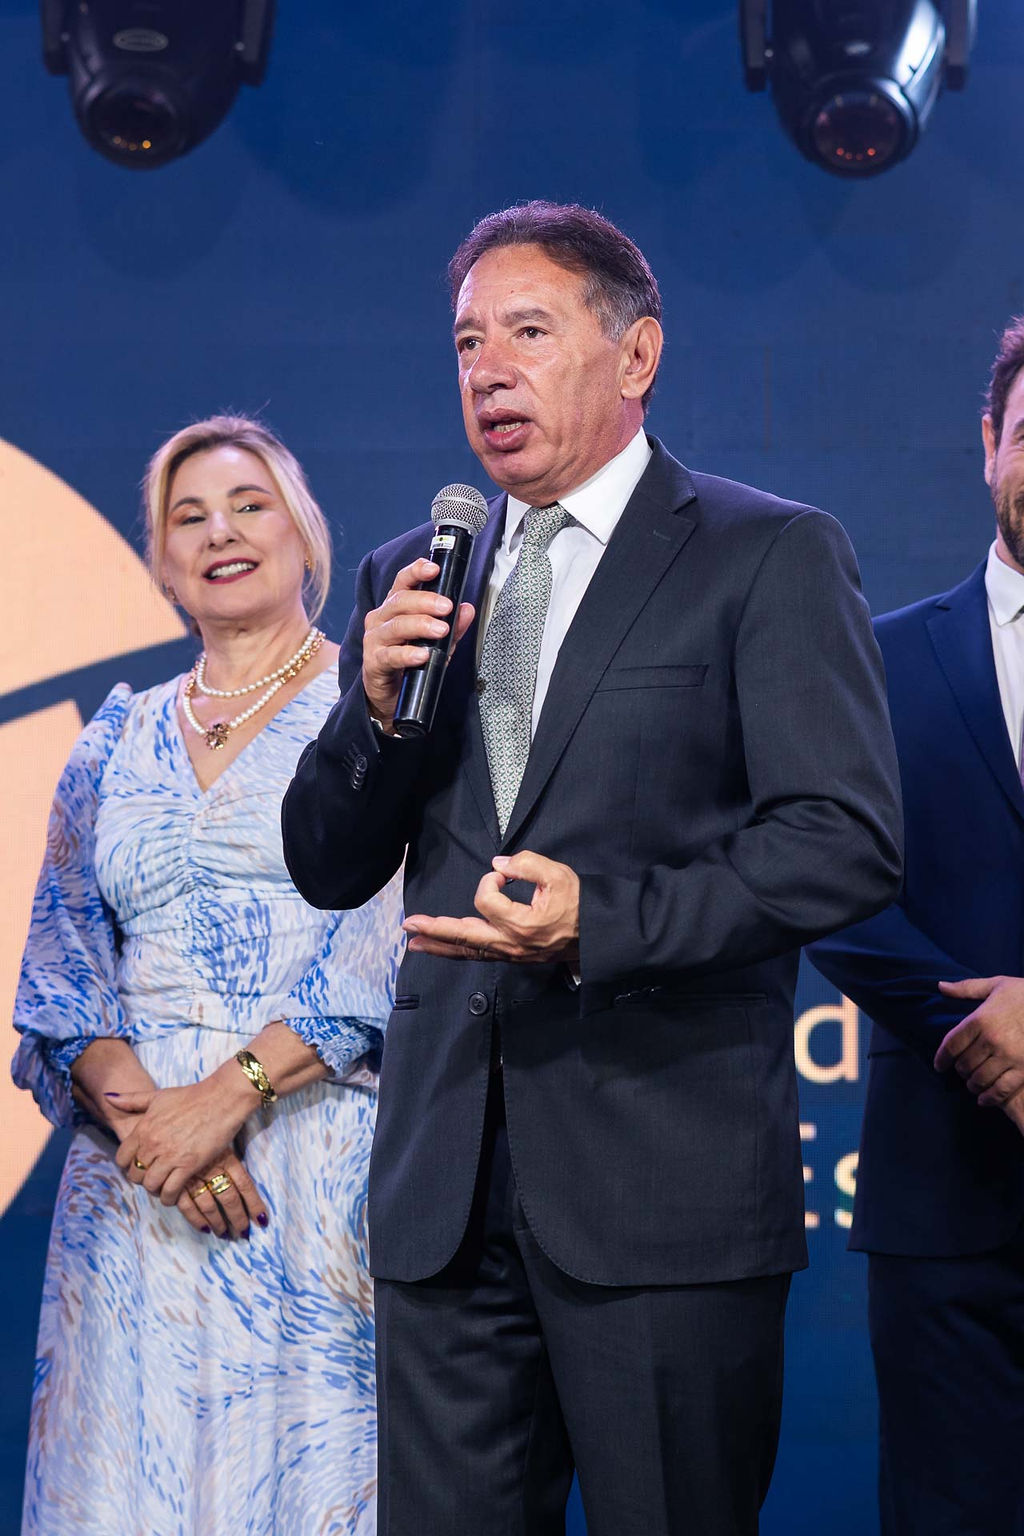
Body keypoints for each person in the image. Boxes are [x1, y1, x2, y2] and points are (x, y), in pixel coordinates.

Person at [282, 202, 903, 1536]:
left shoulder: (763, 553)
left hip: (661, 1187)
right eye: (466, 343)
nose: (487, 371)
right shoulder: (412, 575)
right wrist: (373, 718)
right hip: (446, 1189)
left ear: (636, 356)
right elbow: (328, 863)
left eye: (527, 332)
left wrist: (599, 924)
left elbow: (842, 839)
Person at [12, 415, 403, 1536]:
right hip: (130, 1188)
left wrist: (226, 1100)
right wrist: (158, 1131)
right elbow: (62, 978)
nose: (219, 533)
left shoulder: (375, 717)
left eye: (247, 505)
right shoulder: (113, 739)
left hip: (306, 1168)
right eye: (188, 518)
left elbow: (381, 951)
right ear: (161, 562)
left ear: (304, 534)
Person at [808, 317, 1024, 1535]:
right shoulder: (877, 658)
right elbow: (823, 875)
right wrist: (977, 1030)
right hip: (943, 1197)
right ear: (988, 442)